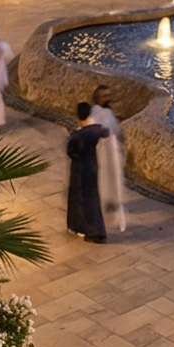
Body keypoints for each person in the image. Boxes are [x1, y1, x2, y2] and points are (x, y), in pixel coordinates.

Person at [65, 102, 109, 243]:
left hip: (80, 171)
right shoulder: (98, 130)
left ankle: (90, 230)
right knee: (92, 199)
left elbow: (71, 152)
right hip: (92, 168)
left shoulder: (78, 136)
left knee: (81, 201)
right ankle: (94, 229)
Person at [88, 90, 127, 236]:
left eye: (108, 95)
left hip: (111, 151)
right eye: (104, 96)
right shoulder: (95, 112)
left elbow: (114, 129)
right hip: (102, 150)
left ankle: (111, 199)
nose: (107, 98)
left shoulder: (108, 112)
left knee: (111, 175)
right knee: (102, 174)